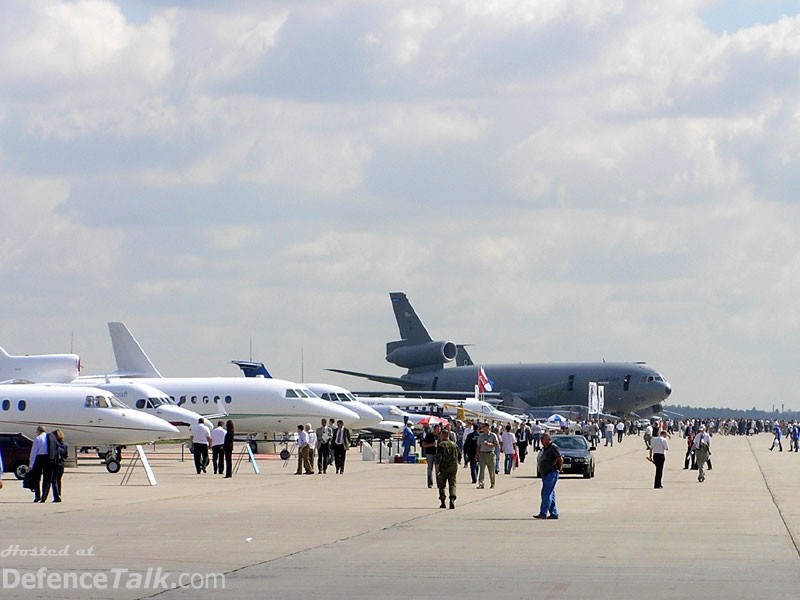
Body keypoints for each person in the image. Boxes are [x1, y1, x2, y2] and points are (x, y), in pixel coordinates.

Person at [534, 432, 562, 519]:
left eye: (543, 438)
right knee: (550, 494)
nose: (541, 440)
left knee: (546, 493)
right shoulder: (545, 448)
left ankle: (543, 512)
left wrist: (559, 468)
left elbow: (559, 458)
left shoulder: (553, 447)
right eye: (541, 438)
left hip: (551, 473)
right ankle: (554, 513)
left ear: (548, 439)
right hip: (545, 474)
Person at [434, 428, 461, 509]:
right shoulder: (454, 445)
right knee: (452, 484)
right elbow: (459, 456)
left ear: (443, 435)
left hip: (443, 468)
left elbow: (438, 459)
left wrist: (436, 469)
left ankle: (443, 501)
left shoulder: (441, 445)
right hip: (453, 467)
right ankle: (452, 499)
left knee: (442, 485)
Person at [28, 425, 51, 502]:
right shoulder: (49, 438)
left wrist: (31, 465)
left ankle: (37, 496)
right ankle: (44, 497)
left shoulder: (37, 439)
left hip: (39, 459)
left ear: (39, 431)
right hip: (47, 459)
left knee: (36, 479)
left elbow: (34, 452)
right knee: (46, 478)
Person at [476, 423, 498, 489]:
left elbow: (497, 445)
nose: (483, 428)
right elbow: (478, 446)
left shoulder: (493, 435)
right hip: (482, 454)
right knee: (481, 469)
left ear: (488, 427)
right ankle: (481, 484)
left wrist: (490, 444)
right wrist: (477, 454)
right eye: (482, 427)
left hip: (490, 454)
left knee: (491, 470)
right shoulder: (481, 436)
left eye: (484, 427)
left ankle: (492, 483)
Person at [49, 430, 68, 502]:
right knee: (59, 480)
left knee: (54, 480)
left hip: (55, 463)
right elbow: (66, 455)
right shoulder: (65, 445)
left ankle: (56, 496)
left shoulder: (55, 444)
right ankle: (59, 493)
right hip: (62, 464)